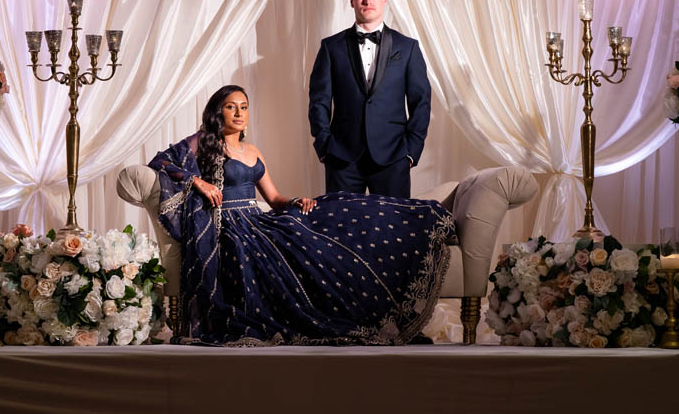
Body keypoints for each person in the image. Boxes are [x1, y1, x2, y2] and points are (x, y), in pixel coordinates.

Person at [148, 85, 455, 345]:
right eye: (231, 107)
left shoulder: (253, 151)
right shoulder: (202, 143)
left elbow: (274, 198)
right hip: (229, 226)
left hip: (257, 219)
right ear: (219, 112)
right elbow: (160, 161)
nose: (240, 113)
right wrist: (197, 181)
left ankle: (421, 219)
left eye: (244, 107)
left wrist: (296, 201)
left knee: (332, 215)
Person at [308, 0, 432, 198]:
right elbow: (319, 101)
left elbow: (421, 102)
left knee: (394, 229)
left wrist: (411, 152)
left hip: (393, 158)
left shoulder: (407, 47)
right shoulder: (331, 47)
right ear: (352, 0)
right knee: (341, 228)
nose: (367, 1)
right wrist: (325, 147)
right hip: (342, 158)